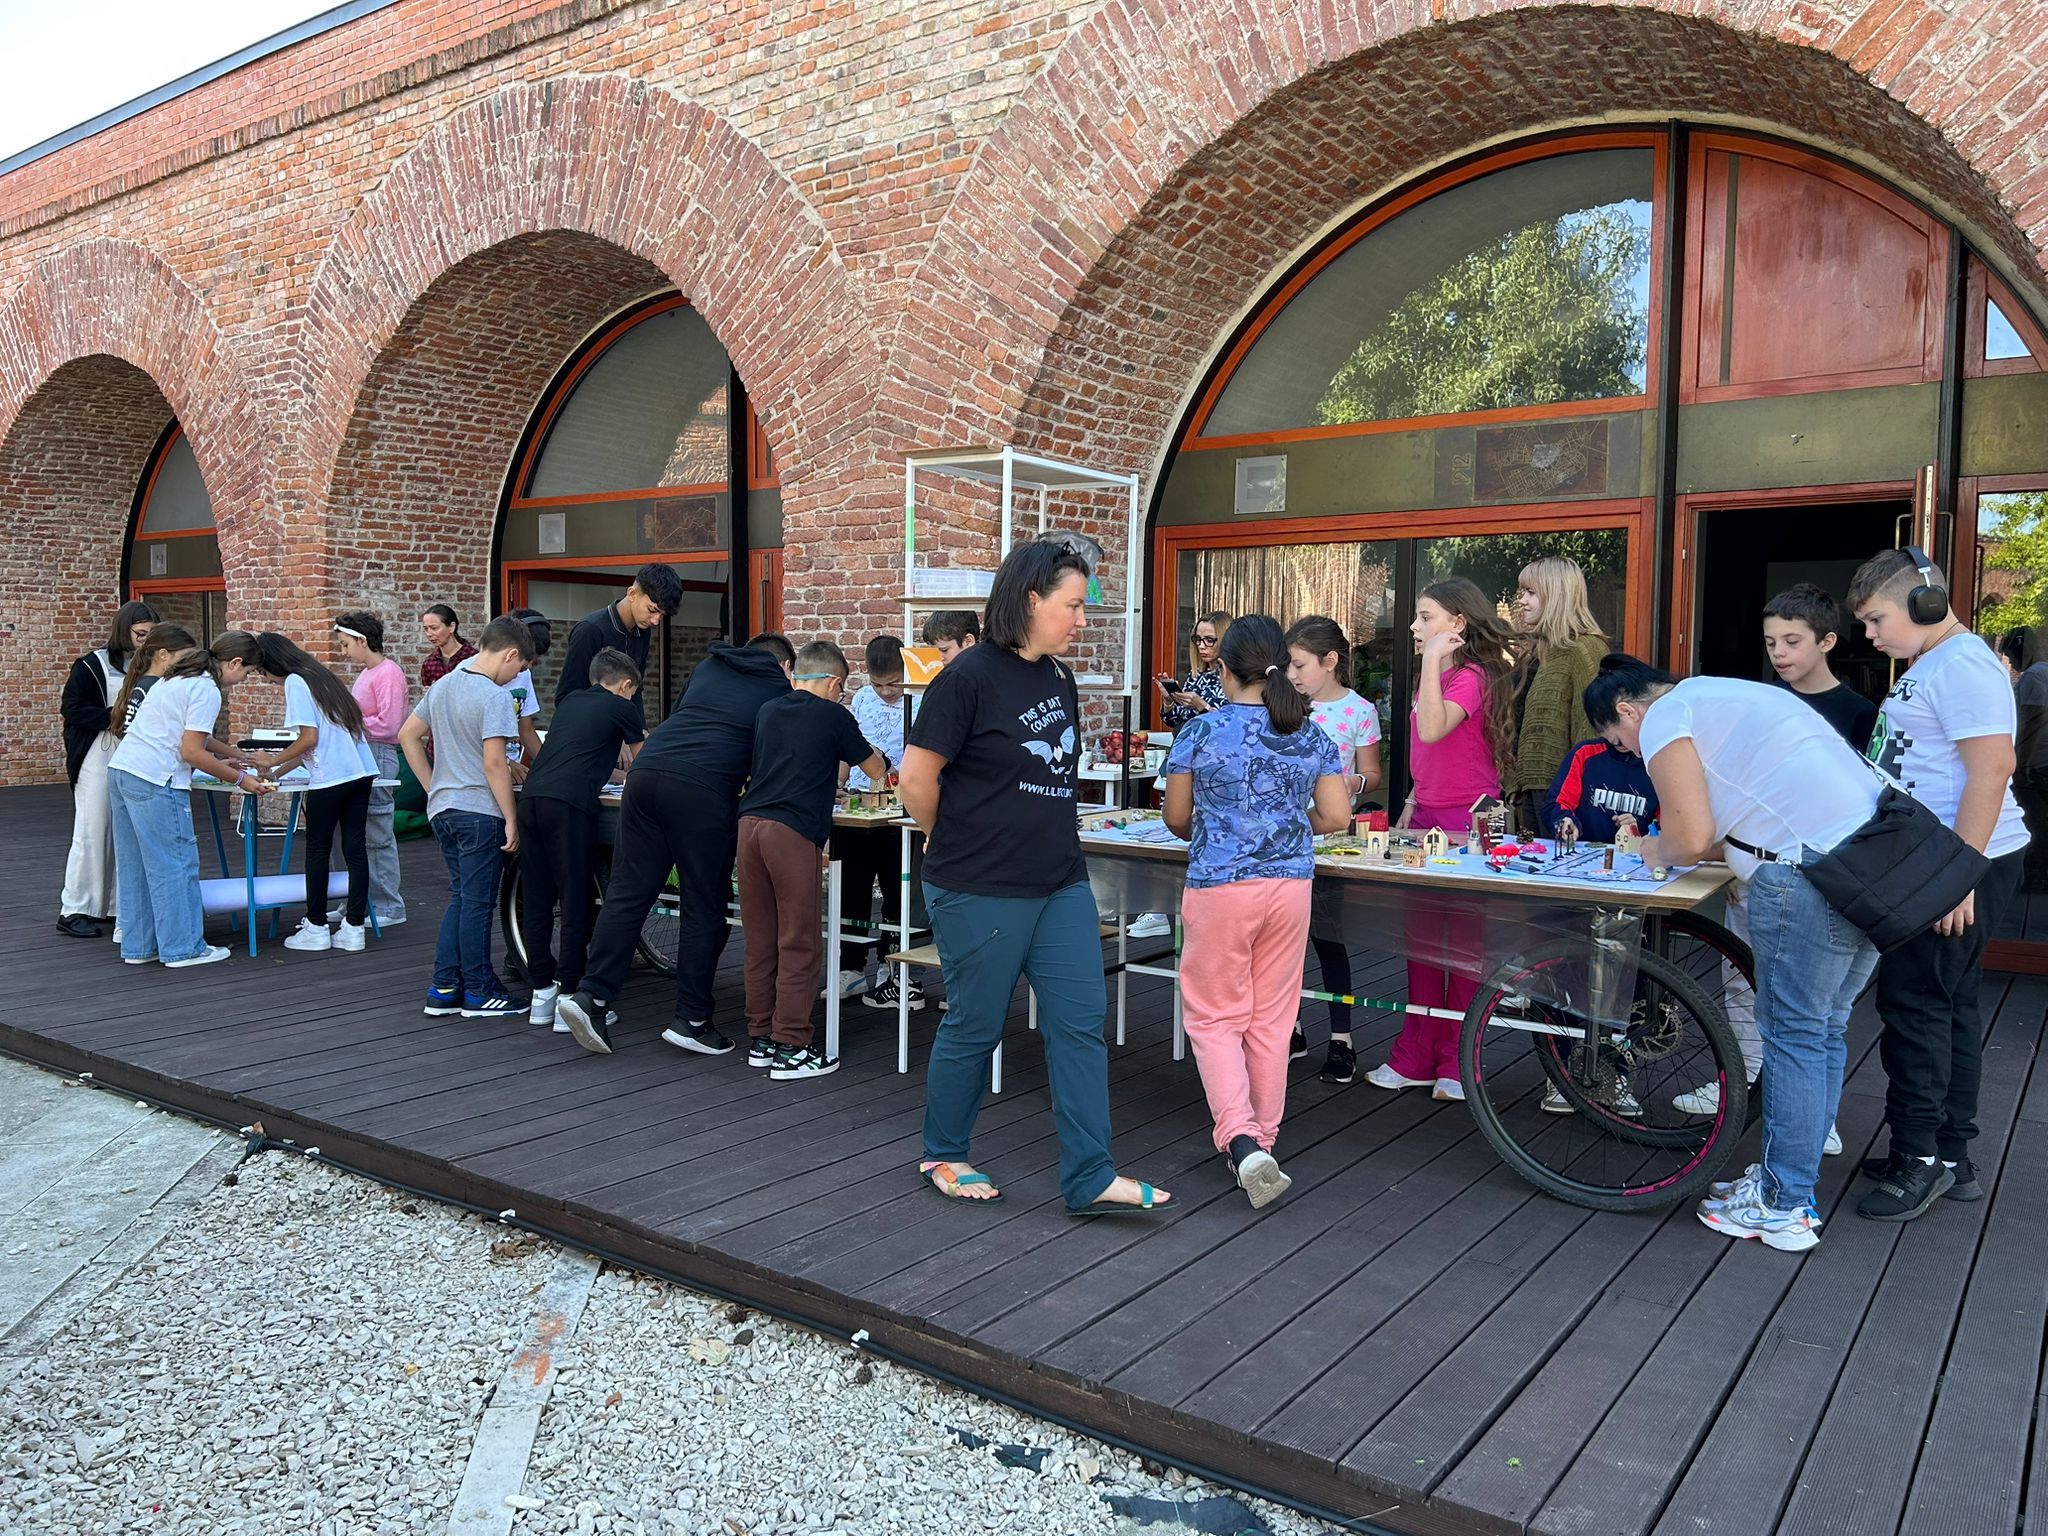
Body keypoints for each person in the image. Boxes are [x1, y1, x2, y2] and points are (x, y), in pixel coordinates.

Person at [900, 536, 1174, 1214]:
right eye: (1072, 606)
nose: (1082, 619)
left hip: (1059, 881)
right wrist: (944, 837)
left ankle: (1090, 1175)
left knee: (1080, 1023)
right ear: (1030, 600)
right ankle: (944, 1152)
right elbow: (915, 779)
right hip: (978, 883)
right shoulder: (966, 678)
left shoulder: (1058, 678)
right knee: (976, 1023)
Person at [1586, 655, 1881, 1251]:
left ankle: (1784, 1204)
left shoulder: (1666, 718)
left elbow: (1691, 839)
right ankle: (1787, 1180)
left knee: (1794, 1037)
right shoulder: (1721, 695)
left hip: (1804, 879)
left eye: (1619, 741)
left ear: (1627, 711)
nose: (1630, 754)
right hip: (1872, 866)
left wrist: (1648, 848)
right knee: (1822, 1030)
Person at [1848, 548, 2030, 1220]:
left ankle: (1918, 1158)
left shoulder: (1963, 665)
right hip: (1939, 861)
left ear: (1924, 603)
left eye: (1876, 619)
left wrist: (1957, 878)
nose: (1871, 636)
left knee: (1916, 1005)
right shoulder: (1936, 662)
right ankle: (1949, 1154)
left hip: (1953, 865)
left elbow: (1993, 770)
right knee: (1946, 1004)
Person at [1163, 615, 1350, 1208]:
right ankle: (1262, 1142)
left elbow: (1176, 819)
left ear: (1222, 669)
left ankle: (1242, 1141)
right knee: (1272, 1019)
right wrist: (1283, 824)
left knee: (1214, 1017)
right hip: (1290, 888)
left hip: (1221, 886)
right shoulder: (1310, 733)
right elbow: (1337, 816)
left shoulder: (1199, 731)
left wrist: (1222, 828)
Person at [556, 634, 794, 1056]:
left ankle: (591, 996)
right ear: (786, 666)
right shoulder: (778, 690)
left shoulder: (708, 666)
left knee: (627, 893)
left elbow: (686, 717)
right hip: (703, 790)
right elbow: (771, 761)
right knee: (704, 904)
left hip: (646, 774)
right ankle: (692, 1019)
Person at [1368, 577, 1517, 1101]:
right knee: (1422, 943)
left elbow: (1432, 730)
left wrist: (1431, 659)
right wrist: (1410, 804)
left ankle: (1457, 1060)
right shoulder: (1439, 674)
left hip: (1470, 820)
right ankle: (1416, 1054)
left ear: (1457, 623)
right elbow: (1429, 754)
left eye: (1425, 617)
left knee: (1467, 946)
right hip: (1428, 814)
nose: (1414, 626)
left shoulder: (1472, 676)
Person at [736, 641, 887, 1078]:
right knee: (799, 941)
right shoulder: (833, 715)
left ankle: (762, 1038)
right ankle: (792, 1046)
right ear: (834, 683)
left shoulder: (768, 710)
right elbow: (875, 769)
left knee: (760, 939)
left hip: (749, 826)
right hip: (792, 831)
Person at [107, 631, 272, 969]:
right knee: (176, 864)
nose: (244, 680)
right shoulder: (206, 688)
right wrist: (243, 780)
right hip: (156, 779)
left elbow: (194, 739)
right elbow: (192, 752)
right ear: (235, 662)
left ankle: (140, 947)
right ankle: (183, 949)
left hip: (123, 771)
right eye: (247, 673)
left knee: (135, 865)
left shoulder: (179, 677)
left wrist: (235, 756)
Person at [398, 615, 536, 1019]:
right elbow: (495, 764)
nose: (517, 677)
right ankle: (479, 990)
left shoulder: (443, 685)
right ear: (510, 654)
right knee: (477, 904)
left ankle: (444, 988)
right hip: (479, 812)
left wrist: (433, 787)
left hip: (444, 809)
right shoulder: (495, 697)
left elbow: (407, 735)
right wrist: (511, 818)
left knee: (461, 899)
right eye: (520, 667)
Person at [517, 648, 645, 1029]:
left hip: (532, 798)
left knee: (537, 896)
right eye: (632, 692)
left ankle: (541, 993)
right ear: (625, 686)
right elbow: (645, 761)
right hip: (569, 804)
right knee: (575, 897)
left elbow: (582, 755)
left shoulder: (571, 701)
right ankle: (570, 995)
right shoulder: (622, 708)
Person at [1282, 614, 1384, 1084]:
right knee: (1284, 941)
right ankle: (1290, 1027)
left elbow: (1373, 773)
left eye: (1300, 665)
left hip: (1330, 839)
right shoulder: (1282, 705)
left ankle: (1342, 1038)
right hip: (1287, 836)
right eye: (1288, 665)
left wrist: (1353, 782)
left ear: (1329, 661)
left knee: (1328, 938)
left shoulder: (1359, 710)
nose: (1292, 675)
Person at [250, 633, 383, 955]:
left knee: (317, 851)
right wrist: (276, 772)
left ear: (273, 662)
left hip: (331, 779)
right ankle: (354, 927)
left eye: (262, 672)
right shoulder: (322, 677)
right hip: (360, 773)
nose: (265, 679)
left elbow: (308, 739)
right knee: (355, 851)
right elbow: (318, 742)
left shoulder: (295, 682)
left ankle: (316, 926)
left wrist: (270, 761)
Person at [831, 635, 923, 1007]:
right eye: (878, 684)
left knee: (897, 892)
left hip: (900, 807)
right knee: (850, 889)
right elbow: (848, 746)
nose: (885, 692)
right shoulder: (860, 699)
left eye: (893, 684)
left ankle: (892, 965)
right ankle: (850, 968)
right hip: (858, 802)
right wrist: (839, 784)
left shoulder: (920, 700)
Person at [57, 600, 158, 938]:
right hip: (97, 752)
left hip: (134, 752)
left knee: (124, 830)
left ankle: (115, 904)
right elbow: (71, 708)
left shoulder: (150, 666)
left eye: (151, 635)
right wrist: (114, 717)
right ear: (124, 630)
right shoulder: (92, 664)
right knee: (92, 827)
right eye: (141, 634)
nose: (145, 640)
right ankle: (76, 907)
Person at [1507, 556, 1609, 834]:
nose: (1523, 601)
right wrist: (1516, 781)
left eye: (1531, 592)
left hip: (1564, 795)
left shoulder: (1585, 648)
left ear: (1556, 595)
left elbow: (1591, 729)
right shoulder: (1544, 651)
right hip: (1534, 790)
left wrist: (1574, 797)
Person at [334, 612, 408, 926]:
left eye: (345, 644)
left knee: (376, 832)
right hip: (363, 753)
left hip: (378, 753)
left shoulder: (388, 673)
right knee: (350, 830)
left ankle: (388, 906)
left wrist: (346, 723)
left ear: (362, 641)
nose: (343, 651)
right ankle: (354, 900)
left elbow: (389, 724)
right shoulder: (369, 672)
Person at [552, 563, 681, 718]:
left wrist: (639, 728)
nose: (655, 621)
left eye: (662, 615)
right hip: (588, 726)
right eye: (652, 610)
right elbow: (566, 697)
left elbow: (635, 689)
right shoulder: (590, 630)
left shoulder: (643, 631)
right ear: (632, 594)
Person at [1763, 582, 1879, 751]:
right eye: (1770, 643)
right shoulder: (1765, 698)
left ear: (1827, 642)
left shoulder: (1860, 712)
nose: (1778, 652)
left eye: (1792, 642)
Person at [1158, 611, 1229, 730]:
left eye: (1209, 640)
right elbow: (1175, 720)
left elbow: (1230, 728)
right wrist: (1169, 701)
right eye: (1198, 639)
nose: (1201, 645)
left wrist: (1202, 706)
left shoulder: (1233, 677)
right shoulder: (1196, 675)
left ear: (1225, 640)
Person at [418, 604, 476, 690]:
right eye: (426, 629)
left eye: (434, 628)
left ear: (451, 627)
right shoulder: (429, 663)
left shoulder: (473, 658)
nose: (428, 634)